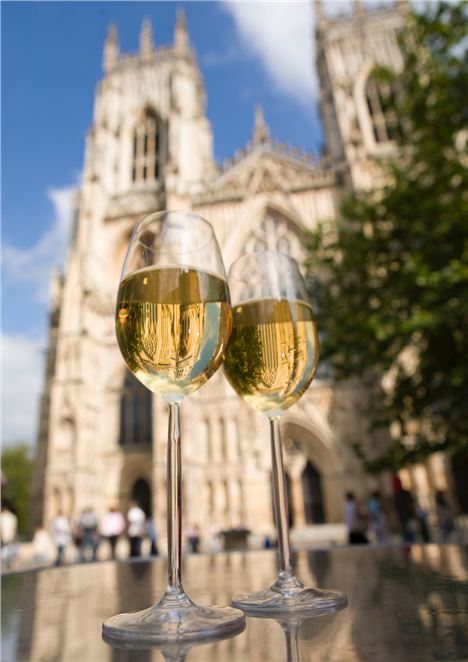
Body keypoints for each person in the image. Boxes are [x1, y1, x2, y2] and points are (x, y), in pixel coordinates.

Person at [392, 475, 417, 543]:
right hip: (405, 517)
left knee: (410, 535)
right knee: (409, 535)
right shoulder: (398, 495)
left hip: (405, 517)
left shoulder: (397, 495)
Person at [0, 504, 19, 569]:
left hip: (4, 538)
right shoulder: (13, 517)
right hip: (10, 537)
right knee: (10, 551)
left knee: (4, 551)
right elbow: (14, 528)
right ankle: (11, 564)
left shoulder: (2, 517)